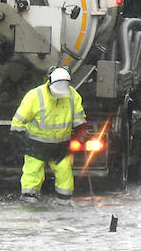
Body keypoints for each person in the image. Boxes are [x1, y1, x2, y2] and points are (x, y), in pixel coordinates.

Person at [10, 66, 89, 202]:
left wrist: (80, 137)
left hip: (61, 146)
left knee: (65, 174)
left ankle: (64, 202)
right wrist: (22, 140)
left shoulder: (73, 97)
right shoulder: (35, 96)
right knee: (32, 175)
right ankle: (29, 202)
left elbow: (80, 123)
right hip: (36, 145)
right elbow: (18, 122)